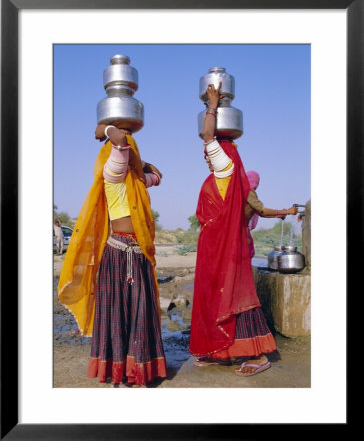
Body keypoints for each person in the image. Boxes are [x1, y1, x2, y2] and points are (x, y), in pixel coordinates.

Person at [58, 122, 167, 387]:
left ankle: (139, 369)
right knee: (117, 314)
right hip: (118, 252)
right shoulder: (113, 172)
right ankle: (118, 371)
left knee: (140, 312)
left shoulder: (135, 180)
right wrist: (105, 130)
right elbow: (119, 142)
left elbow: (158, 175)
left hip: (139, 253)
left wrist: (141, 162)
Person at [189, 82, 278, 377]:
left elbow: (206, 135)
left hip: (226, 249)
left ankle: (260, 354)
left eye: (211, 152)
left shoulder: (224, 168)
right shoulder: (221, 174)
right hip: (216, 248)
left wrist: (212, 104)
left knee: (238, 298)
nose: (206, 155)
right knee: (219, 297)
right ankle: (223, 352)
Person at [245, 170, 298, 258]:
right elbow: (263, 210)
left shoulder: (241, 192)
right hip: (239, 232)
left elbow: (260, 213)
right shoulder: (248, 192)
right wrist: (287, 212)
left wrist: (278, 214)